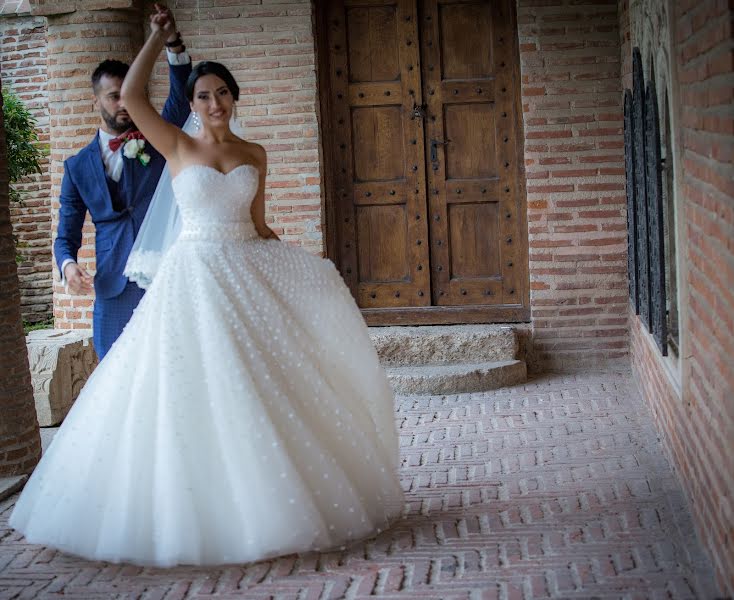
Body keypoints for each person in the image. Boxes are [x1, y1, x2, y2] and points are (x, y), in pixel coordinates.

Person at [9, 5, 404, 567]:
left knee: (257, 381)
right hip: (192, 277)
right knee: (184, 386)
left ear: (233, 97)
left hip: (245, 274)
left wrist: (305, 267)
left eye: (221, 93)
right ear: (191, 105)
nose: (213, 103)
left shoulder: (254, 155)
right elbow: (138, 95)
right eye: (202, 96)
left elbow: (261, 225)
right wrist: (155, 37)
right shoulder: (176, 146)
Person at [54, 4, 191, 360]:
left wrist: (172, 42)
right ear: (96, 100)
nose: (123, 104)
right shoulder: (77, 168)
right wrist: (68, 265)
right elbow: (65, 235)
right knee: (111, 376)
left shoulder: (156, 139)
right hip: (112, 289)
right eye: (114, 96)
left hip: (162, 277)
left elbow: (180, 99)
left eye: (128, 95)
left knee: (168, 370)